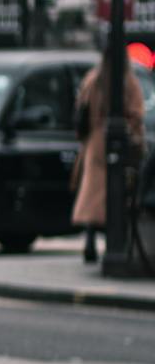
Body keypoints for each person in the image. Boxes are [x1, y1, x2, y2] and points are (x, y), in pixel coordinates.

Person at [71, 59, 148, 263]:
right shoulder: (127, 81)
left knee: (92, 195)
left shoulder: (92, 78)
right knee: (116, 195)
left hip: (93, 142)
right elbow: (137, 113)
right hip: (116, 141)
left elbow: (80, 109)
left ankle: (90, 240)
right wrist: (136, 137)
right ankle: (114, 244)